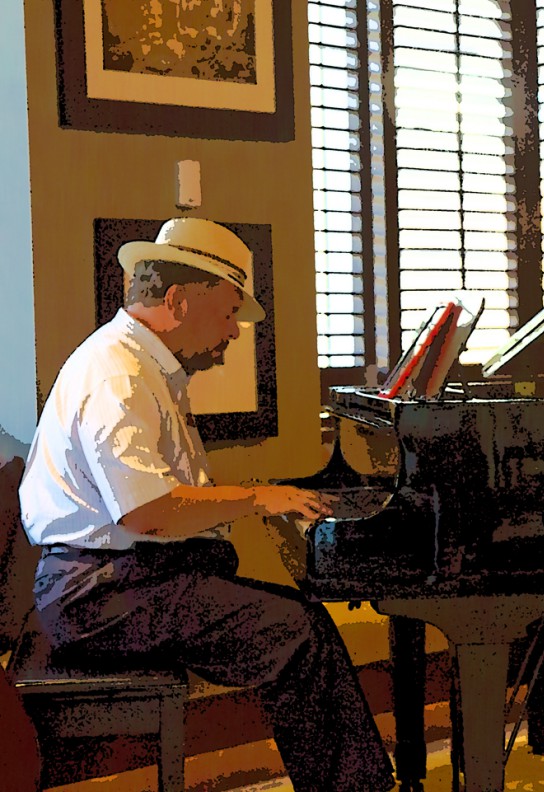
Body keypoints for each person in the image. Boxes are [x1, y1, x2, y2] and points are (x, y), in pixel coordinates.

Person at [19, 218, 394, 792]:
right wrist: (255, 499)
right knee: (297, 633)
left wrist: (256, 500)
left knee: (294, 620)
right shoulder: (118, 376)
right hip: (98, 596)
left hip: (113, 580)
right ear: (177, 300)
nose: (236, 332)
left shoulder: (139, 364)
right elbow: (146, 511)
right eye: (228, 313)